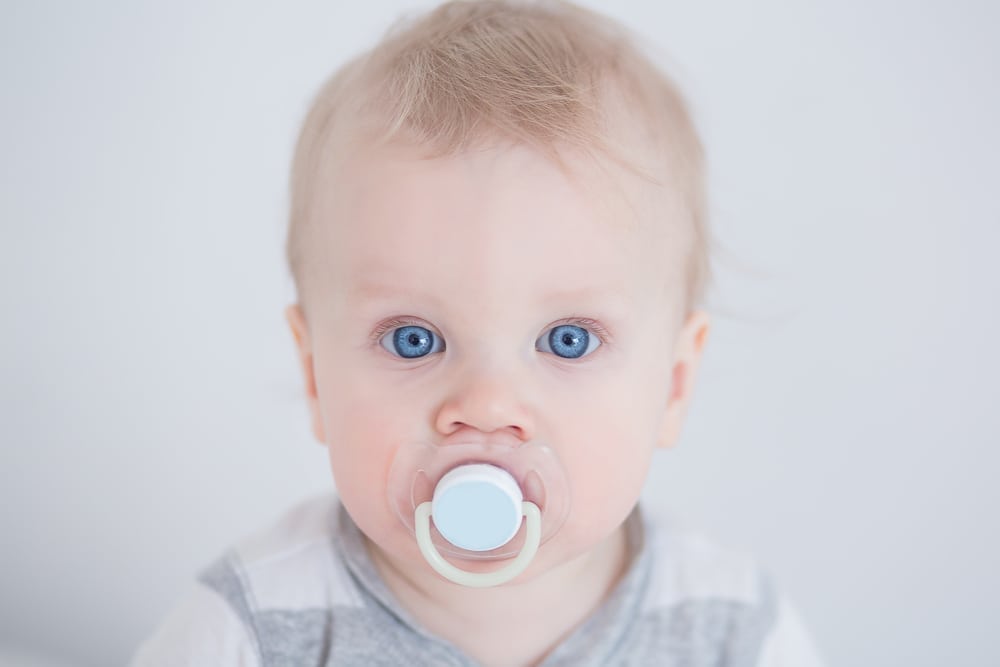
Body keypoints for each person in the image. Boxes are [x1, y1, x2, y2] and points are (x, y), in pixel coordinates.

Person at [131, 1, 825, 664]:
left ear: (673, 385)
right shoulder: (253, 627)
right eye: (414, 338)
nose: (488, 405)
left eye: (567, 340)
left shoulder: (733, 628)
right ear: (316, 376)